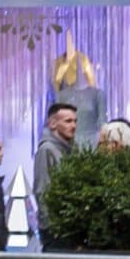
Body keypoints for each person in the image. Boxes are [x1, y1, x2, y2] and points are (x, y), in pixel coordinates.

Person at [31, 101, 78, 245]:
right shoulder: (47, 150)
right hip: (54, 229)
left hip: (69, 226)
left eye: (75, 121)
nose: (73, 126)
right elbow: (42, 190)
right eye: (68, 121)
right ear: (53, 124)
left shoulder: (72, 149)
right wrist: (51, 225)